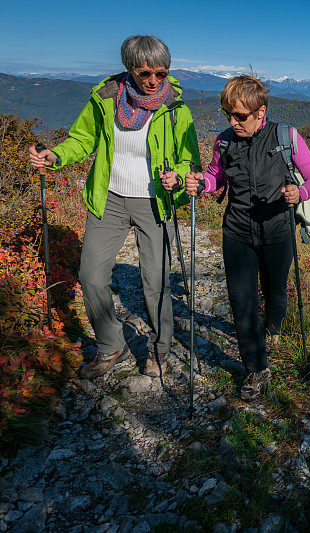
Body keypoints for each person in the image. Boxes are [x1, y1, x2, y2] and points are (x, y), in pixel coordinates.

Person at [29, 35, 201, 379]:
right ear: (129, 69)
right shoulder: (106, 99)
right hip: (109, 197)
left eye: (161, 74)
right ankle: (112, 346)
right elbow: (83, 138)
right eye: (145, 73)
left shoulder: (176, 110)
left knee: (156, 282)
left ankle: (160, 348)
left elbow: (188, 159)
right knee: (91, 276)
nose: (153, 81)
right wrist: (57, 155)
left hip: (155, 202)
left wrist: (179, 178)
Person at [179, 76, 310, 399]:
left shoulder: (286, 137)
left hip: (277, 230)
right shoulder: (224, 142)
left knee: (275, 292)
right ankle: (256, 368)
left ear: (261, 112)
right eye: (227, 114)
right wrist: (198, 184)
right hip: (237, 231)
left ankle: (274, 327)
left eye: (240, 116)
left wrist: (298, 193)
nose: (233, 121)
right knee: (241, 300)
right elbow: (216, 178)